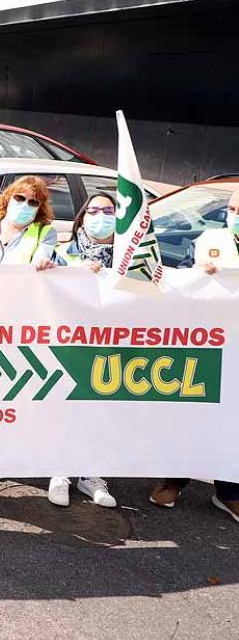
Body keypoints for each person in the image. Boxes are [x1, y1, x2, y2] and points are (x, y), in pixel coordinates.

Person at [149, 187, 239, 524]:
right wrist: (196, 269)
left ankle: (229, 492)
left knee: (235, 420)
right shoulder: (210, 240)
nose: (234, 217)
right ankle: (174, 479)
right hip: (209, 345)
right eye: (231, 209)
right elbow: (184, 284)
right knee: (195, 411)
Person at [40, 192, 120, 508]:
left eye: (108, 210)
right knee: (67, 407)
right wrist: (47, 269)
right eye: (94, 210)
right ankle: (61, 471)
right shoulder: (64, 253)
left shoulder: (133, 257)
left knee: (101, 410)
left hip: (113, 346)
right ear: (82, 218)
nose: (100, 215)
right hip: (69, 344)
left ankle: (92, 475)